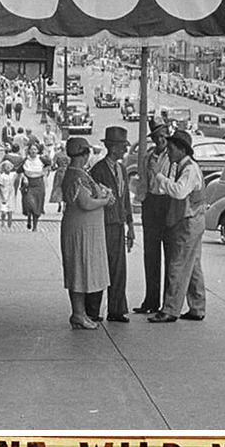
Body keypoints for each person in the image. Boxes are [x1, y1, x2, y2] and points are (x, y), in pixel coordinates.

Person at [147, 129, 207, 323]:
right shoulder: (183, 166)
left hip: (189, 221)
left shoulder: (189, 169)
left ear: (182, 150)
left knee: (178, 264)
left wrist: (159, 177)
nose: (169, 151)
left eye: (172, 148)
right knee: (193, 265)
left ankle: (170, 309)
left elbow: (180, 192)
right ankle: (197, 307)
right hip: (192, 219)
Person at [60, 135, 113, 331]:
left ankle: (79, 313)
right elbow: (86, 203)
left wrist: (103, 194)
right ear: (85, 153)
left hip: (84, 230)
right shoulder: (77, 175)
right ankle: (78, 313)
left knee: (80, 270)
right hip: (80, 232)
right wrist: (105, 202)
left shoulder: (78, 173)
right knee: (80, 270)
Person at [90, 126, 135, 322]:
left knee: (118, 268)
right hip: (102, 224)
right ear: (113, 147)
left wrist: (130, 226)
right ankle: (92, 310)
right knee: (100, 267)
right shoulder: (98, 170)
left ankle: (116, 309)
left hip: (117, 224)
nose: (126, 150)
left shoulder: (122, 169)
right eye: (123, 146)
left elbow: (125, 200)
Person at [134, 119, 172, 315]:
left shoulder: (173, 156)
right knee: (151, 254)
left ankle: (168, 303)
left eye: (162, 136)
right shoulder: (149, 156)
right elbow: (142, 180)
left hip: (168, 203)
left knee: (170, 255)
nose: (160, 140)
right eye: (156, 137)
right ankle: (150, 300)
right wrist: (142, 200)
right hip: (151, 203)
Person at [16, 139, 49, 232]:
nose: (33, 151)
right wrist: (24, 177)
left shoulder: (42, 159)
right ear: (29, 150)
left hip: (39, 184)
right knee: (30, 203)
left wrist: (44, 172)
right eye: (32, 149)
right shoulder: (26, 160)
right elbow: (19, 170)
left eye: (35, 149)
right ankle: (29, 217)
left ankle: (35, 225)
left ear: (38, 151)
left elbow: (50, 164)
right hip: (29, 184)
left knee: (37, 205)